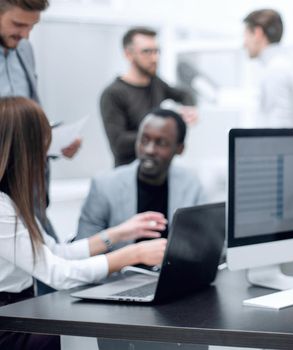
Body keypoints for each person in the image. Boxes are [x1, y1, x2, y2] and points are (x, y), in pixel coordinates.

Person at [0, 96, 168, 349]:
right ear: (25, 149)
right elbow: (56, 273)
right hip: (9, 325)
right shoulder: (2, 209)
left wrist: (119, 233)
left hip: (20, 311)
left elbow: (55, 252)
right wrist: (132, 254)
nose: (46, 157)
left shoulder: (13, 200)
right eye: (43, 147)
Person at [0, 0, 81, 240]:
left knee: (45, 258)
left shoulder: (24, 49)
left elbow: (28, 113)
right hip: (3, 184)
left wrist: (52, 141)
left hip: (29, 184)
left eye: (32, 27)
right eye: (18, 24)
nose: (25, 35)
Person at [76, 108, 206, 249]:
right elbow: (84, 251)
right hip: (121, 269)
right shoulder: (104, 186)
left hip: (172, 270)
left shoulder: (191, 184)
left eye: (161, 143)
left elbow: (205, 242)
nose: (149, 150)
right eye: (144, 140)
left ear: (179, 149)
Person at [100, 26, 197, 167]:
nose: (154, 58)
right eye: (147, 52)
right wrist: (162, 134)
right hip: (128, 175)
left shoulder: (156, 84)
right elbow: (118, 144)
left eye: (156, 51)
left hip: (159, 172)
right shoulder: (113, 94)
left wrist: (190, 109)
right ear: (128, 54)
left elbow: (185, 94)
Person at [243, 8, 293, 127]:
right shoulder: (289, 64)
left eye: (246, 35)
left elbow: (278, 129)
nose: (244, 43)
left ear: (258, 33)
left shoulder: (275, 71)